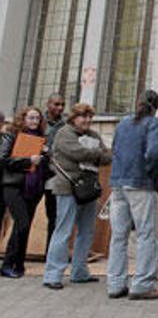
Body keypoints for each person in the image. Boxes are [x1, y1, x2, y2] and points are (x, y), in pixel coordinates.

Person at [43, 103, 112, 289]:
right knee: (63, 231)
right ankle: (52, 275)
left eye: (90, 117)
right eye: (83, 116)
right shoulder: (65, 133)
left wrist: (95, 154)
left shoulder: (93, 135)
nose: (87, 120)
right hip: (68, 188)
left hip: (88, 188)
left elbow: (108, 157)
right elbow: (77, 153)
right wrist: (96, 154)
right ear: (74, 118)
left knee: (86, 232)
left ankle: (79, 272)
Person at [107, 90, 158, 300]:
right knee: (146, 234)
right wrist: (152, 176)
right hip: (141, 182)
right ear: (156, 106)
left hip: (118, 182)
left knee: (118, 236)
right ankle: (142, 284)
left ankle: (115, 284)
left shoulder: (123, 124)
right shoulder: (153, 124)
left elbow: (114, 149)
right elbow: (154, 152)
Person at [0, 107, 48, 278]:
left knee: (23, 227)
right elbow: (3, 159)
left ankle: (18, 264)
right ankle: (6, 265)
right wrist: (28, 160)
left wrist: (45, 157)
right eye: (31, 118)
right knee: (22, 223)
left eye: (37, 118)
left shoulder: (41, 139)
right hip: (13, 186)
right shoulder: (11, 135)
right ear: (23, 119)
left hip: (33, 188)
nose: (34, 121)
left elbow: (45, 166)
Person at [42, 93, 66, 253]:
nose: (60, 108)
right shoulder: (39, 122)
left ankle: (50, 252)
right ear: (48, 104)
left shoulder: (64, 126)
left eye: (62, 105)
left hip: (54, 175)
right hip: (36, 173)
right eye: (56, 104)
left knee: (54, 215)